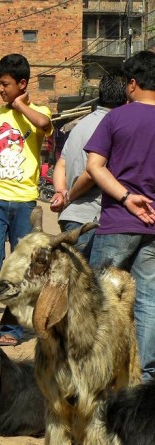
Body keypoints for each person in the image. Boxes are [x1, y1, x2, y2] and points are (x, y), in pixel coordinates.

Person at [85, 50, 155, 381]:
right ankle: (144, 379)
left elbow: (94, 167)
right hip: (153, 226)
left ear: (132, 84)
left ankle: (100, 373)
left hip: (116, 223)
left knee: (101, 302)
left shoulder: (114, 118)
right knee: (148, 304)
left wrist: (127, 198)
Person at [0, 53, 53, 346]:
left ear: (22, 84)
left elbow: (44, 123)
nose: (1, 90)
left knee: (20, 268)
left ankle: (11, 329)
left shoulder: (38, 111)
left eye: (5, 84)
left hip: (25, 202)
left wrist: (20, 104)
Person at [50, 72, 126, 259]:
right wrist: (69, 196)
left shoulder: (80, 125)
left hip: (70, 218)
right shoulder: (112, 125)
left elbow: (61, 163)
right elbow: (93, 172)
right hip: (89, 221)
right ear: (126, 98)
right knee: (93, 285)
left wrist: (60, 191)